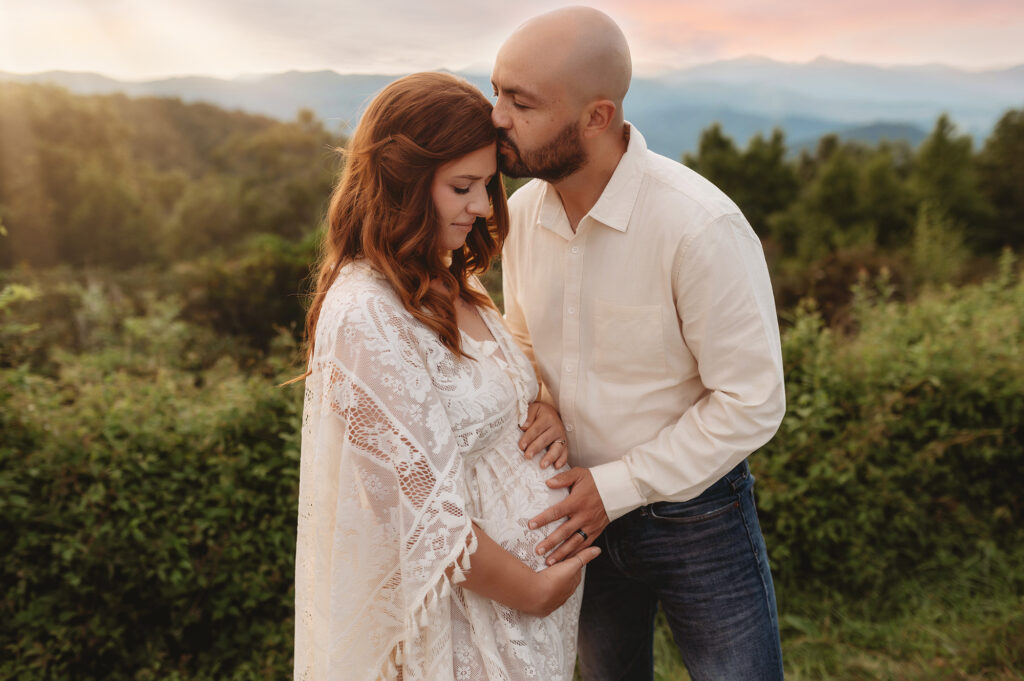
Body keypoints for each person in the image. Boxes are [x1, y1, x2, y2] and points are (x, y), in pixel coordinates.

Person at [492, 8, 787, 681]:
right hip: (574, 512)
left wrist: (617, 485)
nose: (496, 116)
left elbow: (752, 402)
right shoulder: (520, 217)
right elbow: (522, 338)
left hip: (697, 514)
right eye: (497, 90)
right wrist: (535, 395)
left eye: (521, 101)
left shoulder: (699, 225)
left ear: (597, 117)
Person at [293, 71, 600, 681]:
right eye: (463, 186)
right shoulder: (365, 312)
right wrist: (535, 592)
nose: (483, 206)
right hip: (468, 623)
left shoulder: (448, 274)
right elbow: (419, 513)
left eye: (487, 185)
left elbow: (481, 396)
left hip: (521, 623)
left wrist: (537, 405)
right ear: (402, 184)